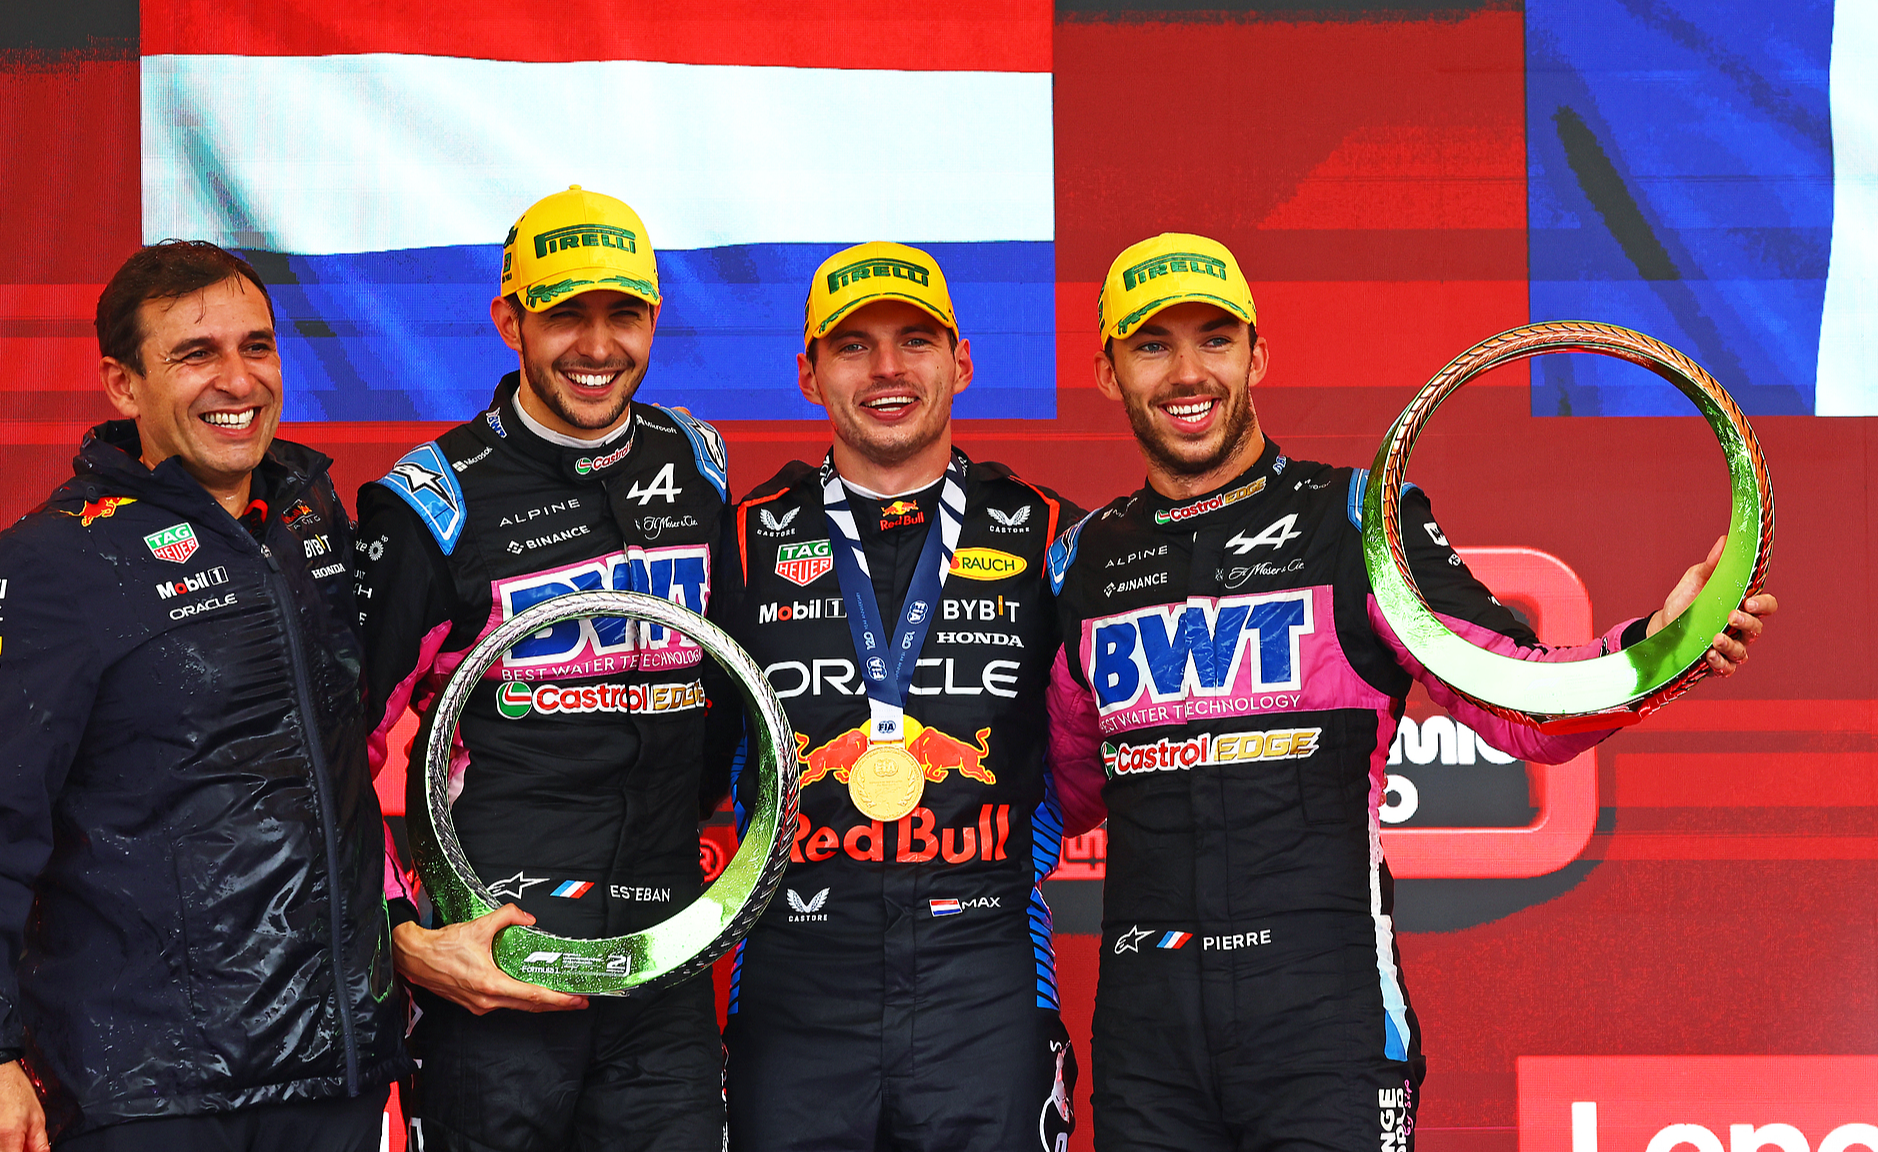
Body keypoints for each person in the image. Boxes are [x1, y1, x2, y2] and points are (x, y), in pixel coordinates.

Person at [1046, 233, 1779, 1151]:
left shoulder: (1358, 520)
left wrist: (1660, 647)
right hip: (1145, 1035)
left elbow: (1523, 710)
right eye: (1151, 345)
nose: (1187, 372)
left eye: (1215, 339)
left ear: (1257, 354)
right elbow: (1060, 791)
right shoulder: (1081, 560)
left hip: (1325, 1016)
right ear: (1108, 372)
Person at [0, 241, 405, 1152]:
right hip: (155, 1099)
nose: (237, 379)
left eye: (256, 347)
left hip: (336, 1073)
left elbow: (337, 780)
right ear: (123, 384)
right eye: (194, 354)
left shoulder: (308, 519)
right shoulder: (51, 564)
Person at [355, 186, 730, 1152]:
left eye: (624, 315)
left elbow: (731, 698)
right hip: (500, 963)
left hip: (664, 965)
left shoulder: (696, 464)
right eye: (566, 315)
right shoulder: (432, 501)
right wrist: (407, 936)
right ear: (510, 319)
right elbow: (331, 753)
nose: (597, 348)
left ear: (655, 318)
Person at [712, 242, 1083, 1152]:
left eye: (915, 341)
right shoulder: (742, 543)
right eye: (853, 346)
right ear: (809, 374)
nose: (887, 369)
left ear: (960, 362)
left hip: (987, 980)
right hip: (795, 982)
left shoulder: (1050, 534)